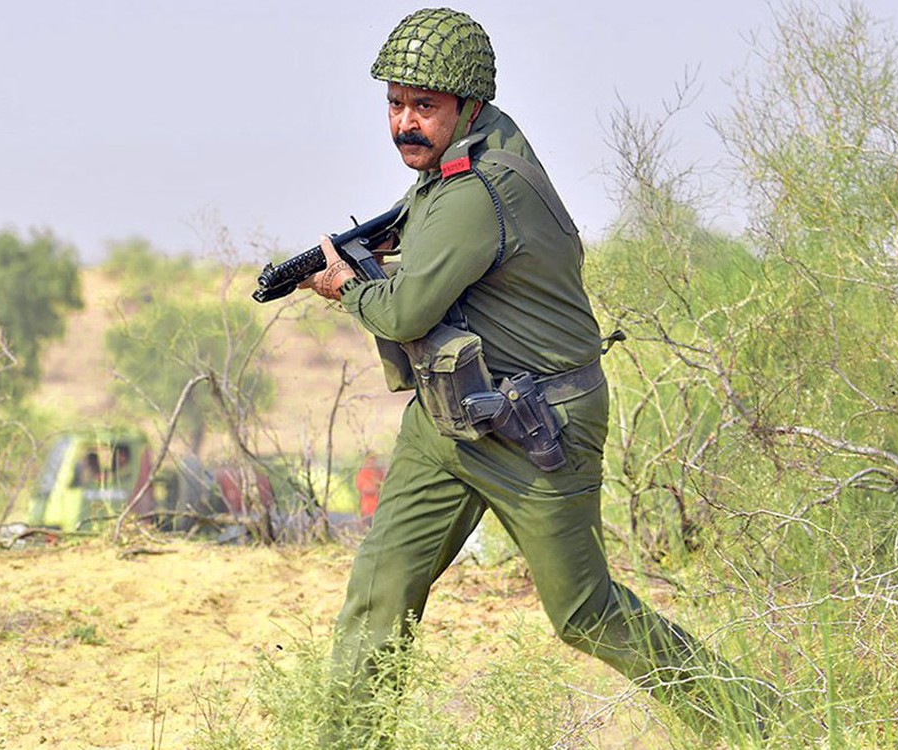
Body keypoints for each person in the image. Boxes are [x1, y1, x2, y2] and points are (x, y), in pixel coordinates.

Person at [298, 7, 777, 741]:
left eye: (424, 106)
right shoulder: (458, 162)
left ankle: (765, 724)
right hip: (451, 419)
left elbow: (402, 313)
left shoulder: (476, 190)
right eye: (394, 103)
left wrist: (348, 287)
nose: (403, 123)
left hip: (536, 428)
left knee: (585, 612)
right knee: (381, 588)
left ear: (470, 107)